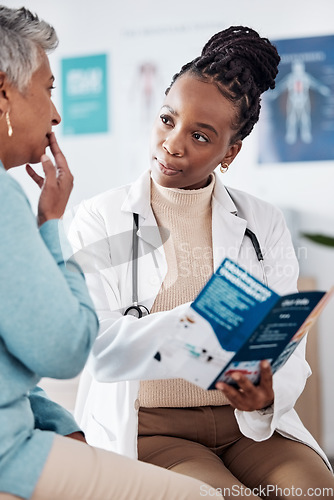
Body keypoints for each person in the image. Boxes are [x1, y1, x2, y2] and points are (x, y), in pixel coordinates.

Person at [69, 26, 334, 499]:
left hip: (244, 424)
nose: (172, 144)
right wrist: (195, 322)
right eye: (168, 120)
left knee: (312, 489)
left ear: (229, 152)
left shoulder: (263, 222)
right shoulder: (99, 217)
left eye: (200, 135)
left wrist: (265, 396)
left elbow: (287, 345)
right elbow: (93, 339)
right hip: (152, 427)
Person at [0, 6, 221, 500]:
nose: (56, 113)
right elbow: (66, 349)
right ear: (3, 91)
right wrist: (51, 227)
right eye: (48, 88)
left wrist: (58, 420)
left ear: (230, 153)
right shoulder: (13, 202)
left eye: (201, 135)